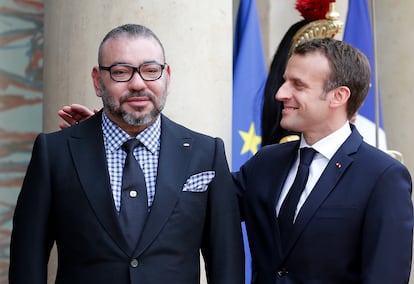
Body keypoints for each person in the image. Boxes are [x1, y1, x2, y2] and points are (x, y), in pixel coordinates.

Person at [9, 24, 244, 284]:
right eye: (121, 72)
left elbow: (227, 264)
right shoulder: (54, 153)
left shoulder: (206, 153)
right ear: (98, 81)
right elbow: (27, 262)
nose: (138, 84)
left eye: (151, 71)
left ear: (167, 76)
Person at [234, 38, 413, 283]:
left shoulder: (383, 177)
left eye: (298, 85)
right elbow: (204, 203)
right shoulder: (265, 162)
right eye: (285, 81)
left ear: (338, 96)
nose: (280, 93)